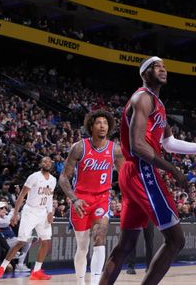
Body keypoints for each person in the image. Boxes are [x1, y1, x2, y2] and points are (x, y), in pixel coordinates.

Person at [99, 56, 196, 285]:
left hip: (133, 174)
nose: (163, 69)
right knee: (175, 239)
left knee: (126, 245)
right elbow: (137, 145)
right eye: (156, 66)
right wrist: (173, 170)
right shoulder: (142, 98)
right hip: (142, 171)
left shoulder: (157, 104)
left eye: (164, 66)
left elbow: (169, 143)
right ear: (144, 73)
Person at [58, 110, 121, 285]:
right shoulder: (79, 147)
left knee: (100, 237)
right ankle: (80, 282)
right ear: (91, 126)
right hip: (81, 199)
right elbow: (63, 177)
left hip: (102, 198)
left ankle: (95, 282)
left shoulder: (115, 150)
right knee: (83, 246)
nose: (102, 126)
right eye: (99, 123)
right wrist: (74, 198)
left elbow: (125, 176)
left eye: (105, 123)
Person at [0, 156, 57, 281]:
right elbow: (22, 195)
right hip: (30, 211)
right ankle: (1, 269)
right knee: (21, 241)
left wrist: (50, 212)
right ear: (40, 164)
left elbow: (49, 197)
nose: (47, 163)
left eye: (49, 162)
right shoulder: (34, 177)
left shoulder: (53, 180)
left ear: (51, 165)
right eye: (44, 161)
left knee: (46, 242)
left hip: (43, 212)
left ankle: (36, 271)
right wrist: (15, 213)